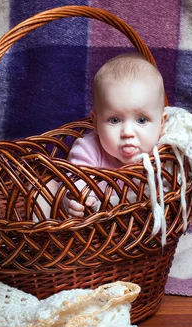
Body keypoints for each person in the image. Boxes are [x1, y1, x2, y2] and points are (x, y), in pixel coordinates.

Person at [35, 53, 167, 220]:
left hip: (135, 227)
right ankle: (44, 237)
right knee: (46, 188)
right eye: (114, 120)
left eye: (141, 120)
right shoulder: (88, 148)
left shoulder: (163, 152)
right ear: (95, 122)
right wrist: (78, 200)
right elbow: (77, 179)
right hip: (88, 227)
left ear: (161, 124)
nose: (127, 132)